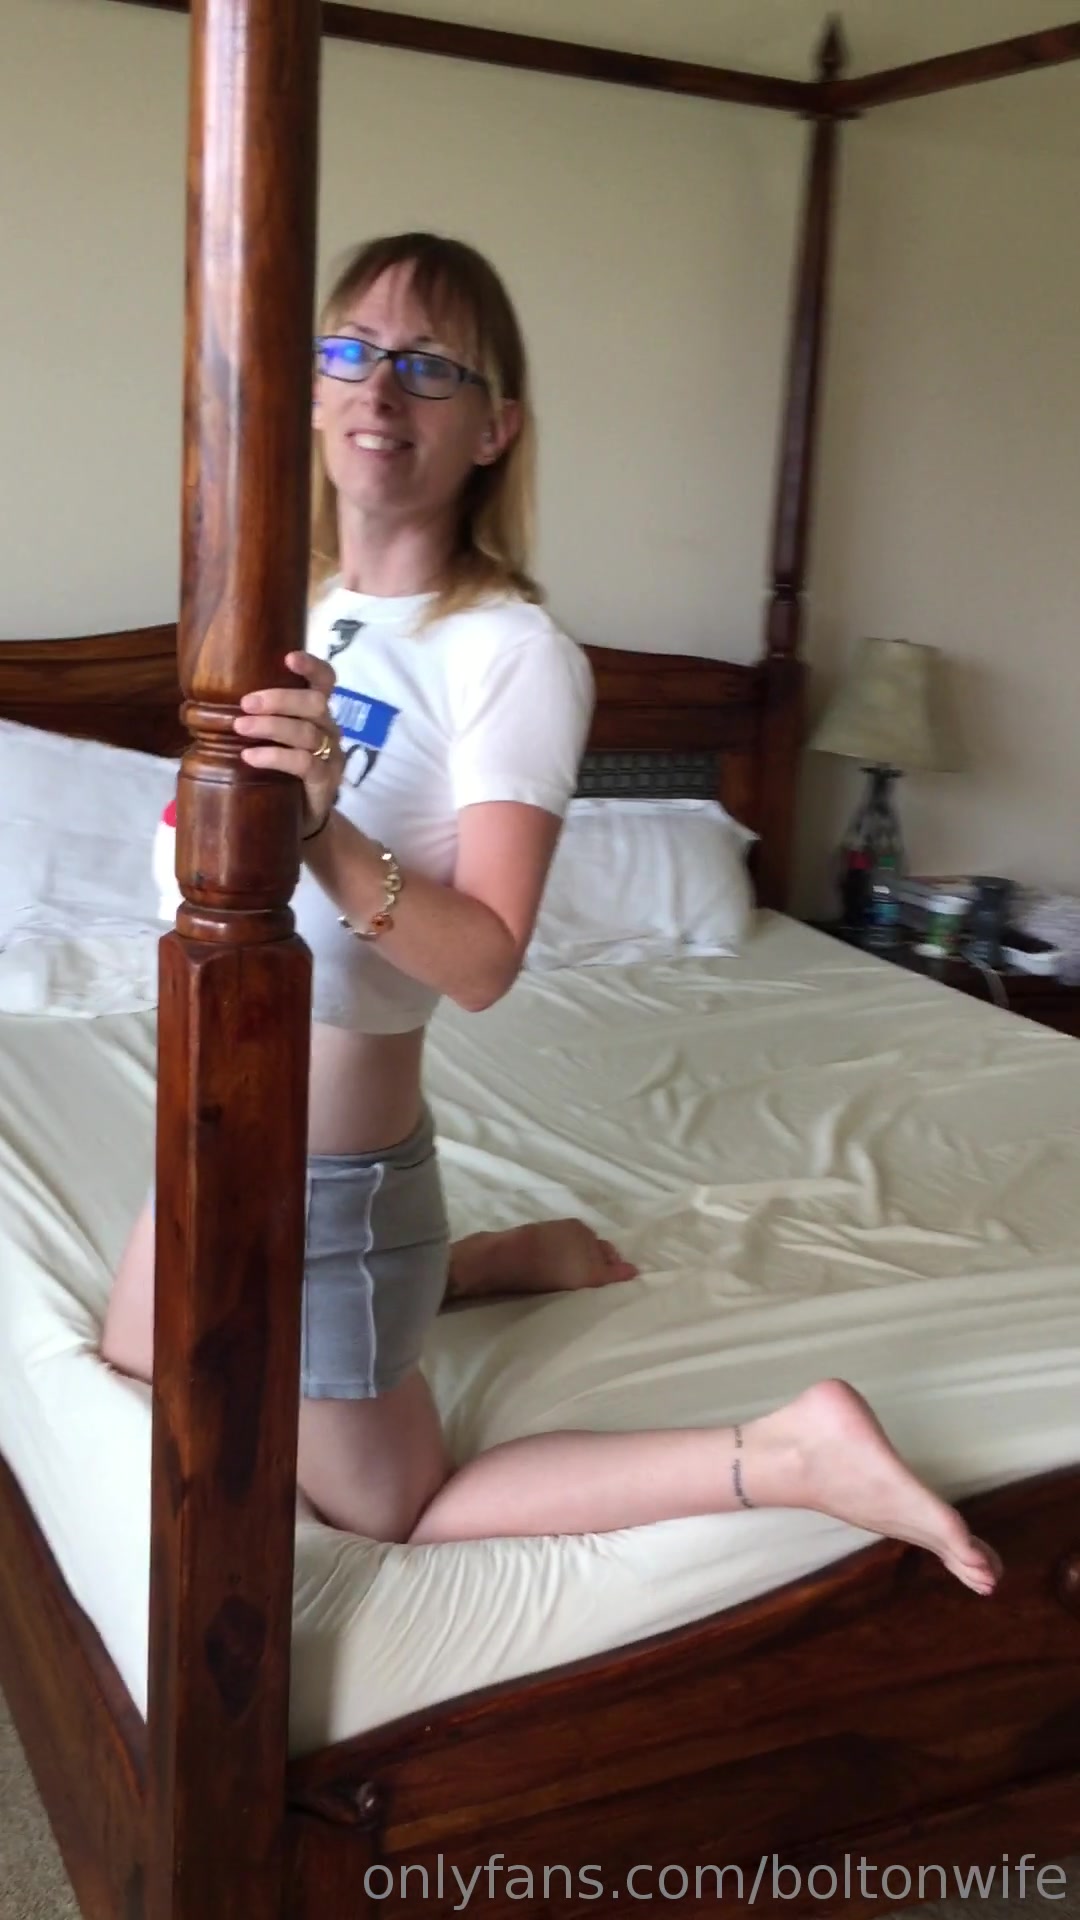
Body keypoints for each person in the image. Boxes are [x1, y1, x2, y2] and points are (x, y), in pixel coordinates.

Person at [101, 233, 1000, 1599]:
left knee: (398, 1511)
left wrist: (326, 831)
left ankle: (788, 1450)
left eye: (428, 365)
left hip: (321, 1175)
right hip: (204, 1122)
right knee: (127, 1371)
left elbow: (484, 963)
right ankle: (468, 1269)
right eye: (350, 350)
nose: (377, 387)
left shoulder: (512, 655)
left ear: (494, 429)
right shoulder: (298, 611)